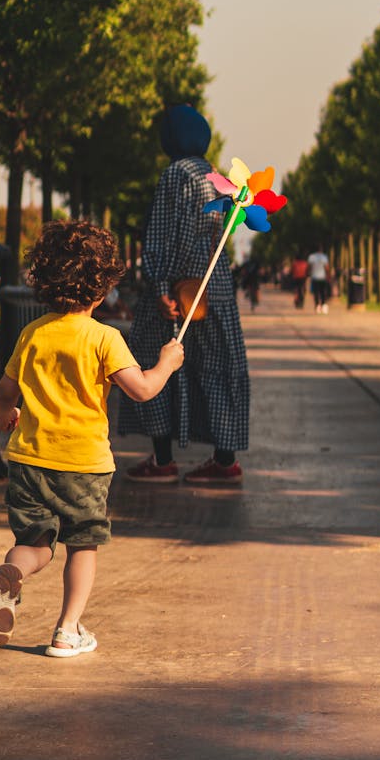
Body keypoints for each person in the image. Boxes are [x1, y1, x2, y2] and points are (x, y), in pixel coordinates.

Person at [0, 220, 184, 657]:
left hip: (29, 462)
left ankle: (11, 573)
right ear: (102, 286)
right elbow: (142, 389)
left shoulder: (32, 334)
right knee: (82, 545)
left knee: (34, 546)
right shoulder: (105, 338)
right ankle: (67, 631)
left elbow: (4, 392)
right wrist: (167, 362)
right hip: (83, 465)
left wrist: (3, 416)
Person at [118, 104, 250, 486]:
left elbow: (162, 236)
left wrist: (159, 287)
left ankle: (162, 459)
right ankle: (225, 461)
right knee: (217, 372)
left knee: (152, 362)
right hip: (215, 292)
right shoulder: (216, 176)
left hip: (178, 295)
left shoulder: (176, 174)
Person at [308, 244, 330, 313]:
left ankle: (317, 306)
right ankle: (323, 305)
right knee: (323, 292)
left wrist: (309, 274)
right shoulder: (324, 257)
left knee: (316, 292)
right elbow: (326, 267)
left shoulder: (311, 257)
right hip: (322, 277)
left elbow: (309, 267)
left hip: (314, 277)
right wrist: (328, 275)